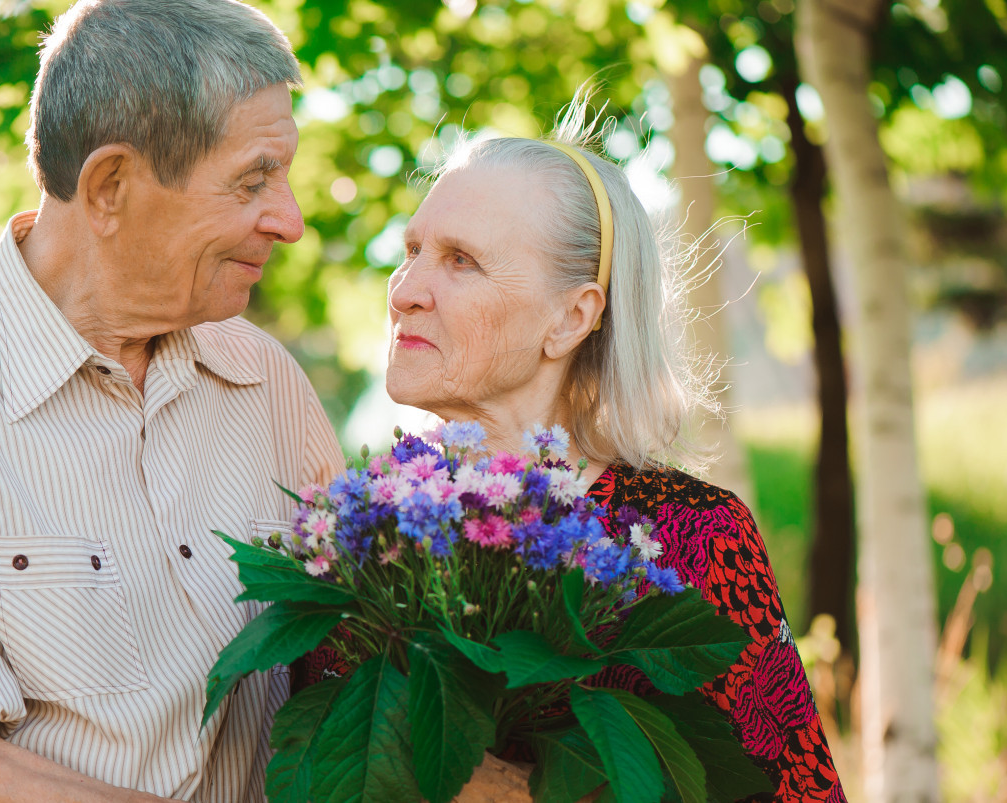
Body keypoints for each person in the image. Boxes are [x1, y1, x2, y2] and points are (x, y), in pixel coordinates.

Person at [0, 1, 343, 801]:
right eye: (252, 181)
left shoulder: (266, 382)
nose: (288, 221)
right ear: (110, 185)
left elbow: (353, 659)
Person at [301, 103, 849, 802]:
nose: (404, 292)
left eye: (459, 260)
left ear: (571, 317)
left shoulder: (692, 539)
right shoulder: (368, 528)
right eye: (411, 252)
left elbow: (790, 791)